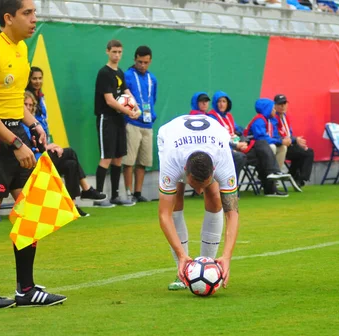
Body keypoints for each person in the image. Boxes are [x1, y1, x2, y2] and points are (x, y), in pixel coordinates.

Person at [0, 0, 66, 308]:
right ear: (8, 18)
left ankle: (26, 289)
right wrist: (15, 142)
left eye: (34, 13)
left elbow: (11, 100)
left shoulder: (21, 49)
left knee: (31, 208)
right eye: (28, 13)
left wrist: (33, 123)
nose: (35, 19)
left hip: (15, 134)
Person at [158, 115, 238, 291]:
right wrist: (181, 255)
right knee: (176, 199)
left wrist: (227, 257)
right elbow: (164, 214)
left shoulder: (223, 160)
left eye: (204, 184)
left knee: (215, 196)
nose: (199, 191)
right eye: (195, 186)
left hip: (214, 137)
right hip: (171, 137)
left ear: (214, 170)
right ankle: (183, 269)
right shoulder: (172, 161)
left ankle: (209, 267)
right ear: (185, 171)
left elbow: (232, 213)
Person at [25, 70, 107, 204]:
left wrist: (50, 145)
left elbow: (43, 127)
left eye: (40, 78)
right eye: (34, 78)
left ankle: (72, 205)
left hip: (43, 149)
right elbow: (30, 141)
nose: (38, 81)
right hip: (36, 156)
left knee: (71, 164)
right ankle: (86, 189)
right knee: (70, 152)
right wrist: (49, 146)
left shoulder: (40, 98)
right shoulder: (25, 117)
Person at [94, 39, 140, 208]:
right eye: (114, 52)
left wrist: (137, 108)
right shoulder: (104, 73)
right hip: (106, 119)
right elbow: (110, 100)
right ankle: (99, 197)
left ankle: (114, 196)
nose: (117, 55)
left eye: (120, 52)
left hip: (119, 119)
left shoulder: (120, 72)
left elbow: (126, 92)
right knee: (106, 157)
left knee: (118, 157)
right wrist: (129, 112)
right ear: (107, 51)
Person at [122, 46, 157, 203]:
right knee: (129, 160)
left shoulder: (152, 79)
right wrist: (132, 113)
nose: (143, 65)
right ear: (134, 59)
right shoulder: (127, 75)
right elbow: (123, 97)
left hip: (148, 124)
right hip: (132, 122)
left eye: (146, 62)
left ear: (150, 61)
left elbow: (152, 99)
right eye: (140, 62)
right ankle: (128, 193)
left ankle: (138, 192)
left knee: (144, 161)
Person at [247, 98, 292, 197]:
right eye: (272, 109)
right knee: (272, 146)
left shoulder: (271, 121)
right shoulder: (259, 120)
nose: (274, 110)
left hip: (264, 148)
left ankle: (276, 175)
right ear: (266, 109)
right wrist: (279, 141)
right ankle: (270, 178)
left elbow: (274, 136)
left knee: (282, 148)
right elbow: (262, 138)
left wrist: (282, 141)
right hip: (253, 149)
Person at [273, 94, 315, 188]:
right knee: (306, 153)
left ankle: (295, 176)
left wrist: (296, 140)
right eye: (280, 104)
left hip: (288, 144)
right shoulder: (273, 118)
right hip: (280, 146)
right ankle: (299, 178)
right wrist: (295, 140)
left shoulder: (285, 117)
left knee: (305, 151)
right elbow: (277, 135)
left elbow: (289, 134)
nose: (283, 106)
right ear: (274, 105)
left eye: (284, 103)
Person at [207, 91, 248, 179]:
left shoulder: (229, 116)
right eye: (219, 101)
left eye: (224, 101)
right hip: (220, 148)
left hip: (234, 145)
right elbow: (217, 138)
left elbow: (238, 131)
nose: (221, 104)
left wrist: (244, 142)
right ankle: (231, 184)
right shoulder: (212, 117)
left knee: (256, 152)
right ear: (215, 103)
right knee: (240, 157)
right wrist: (235, 146)